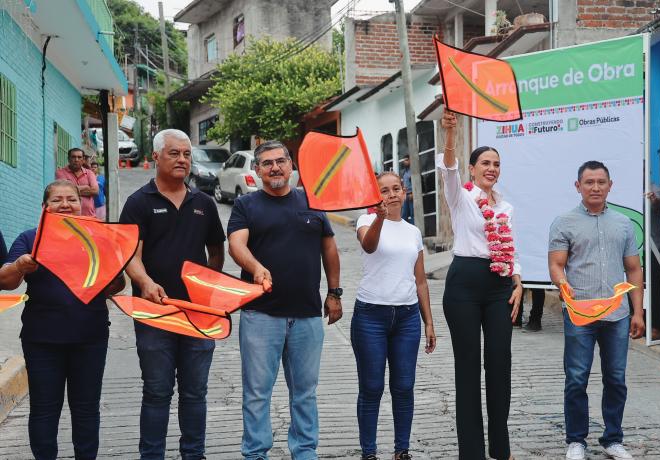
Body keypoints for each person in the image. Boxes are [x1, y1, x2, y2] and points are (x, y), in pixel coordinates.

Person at [227, 140, 342, 460]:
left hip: (306, 316)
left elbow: (329, 249)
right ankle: (255, 453)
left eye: (280, 161)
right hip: (260, 315)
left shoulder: (312, 202)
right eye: (267, 163)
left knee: (305, 394)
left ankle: (305, 452)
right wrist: (255, 267)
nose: (275, 167)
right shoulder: (246, 205)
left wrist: (334, 293)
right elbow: (236, 245)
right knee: (257, 394)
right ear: (257, 170)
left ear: (292, 165)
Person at [120, 129, 226, 460]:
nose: (182, 160)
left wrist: (208, 285)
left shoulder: (204, 203)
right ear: (156, 157)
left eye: (186, 154)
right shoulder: (138, 203)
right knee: (156, 392)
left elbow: (216, 250)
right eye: (174, 153)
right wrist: (146, 282)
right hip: (153, 314)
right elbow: (129, 256)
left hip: (197, 315)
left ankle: (194, 455)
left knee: (195, 393)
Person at [0, 180, 125, 459]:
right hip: (42, 339)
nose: (65, 204)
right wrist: (20, 265)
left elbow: (117, 284)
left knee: (86, 407)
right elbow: (5, 280)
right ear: (45, 207)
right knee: (45, 408)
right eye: (57, 200)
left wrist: (110, 276)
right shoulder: (29, 239)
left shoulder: (99, 239)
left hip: (90, 337)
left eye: (71, 198)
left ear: (82, 205)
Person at [438, 111, 522, 460]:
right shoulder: (461, 197)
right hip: (464, 286)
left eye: (496, 164)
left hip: (501, 286)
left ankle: (500, 449)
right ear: (472, 169)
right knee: (468, 366)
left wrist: (517, 281)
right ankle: (471, 452)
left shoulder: (506, 207)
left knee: (500, 362)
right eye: (485, 162)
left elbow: (509, 246)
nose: (491, 168)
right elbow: (449, 169)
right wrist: (451, 134)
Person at [547, 160, 645, 460]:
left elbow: (634, 269)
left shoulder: (623, 223)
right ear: (578, 186)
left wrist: (638, 312)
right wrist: (563, 284)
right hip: (580, 313)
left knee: (616, 378)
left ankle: (613, 438)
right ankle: (576, 441)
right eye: (589, 182)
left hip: (616, 315)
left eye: (601, 182)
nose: (595, 187)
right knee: (576, 377)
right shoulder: (564, 222)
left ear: (610, 185)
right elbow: (556, 264)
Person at [352, 172, 437, 460]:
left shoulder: (413, 232)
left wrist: (429, 322)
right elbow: (369, 246)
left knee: (404, 386)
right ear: (377, 197)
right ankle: (369, 452)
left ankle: (402, 450)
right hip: (370, 316)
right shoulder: (366, 222)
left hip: (407, 317)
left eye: (396, 189)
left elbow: (421, 280)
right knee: (372, 387)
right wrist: (378, 217)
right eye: (384, 191)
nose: (391, 195)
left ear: (404, 192)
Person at [55, 148, 99, 217]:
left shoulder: (90, 173)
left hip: (89, 217)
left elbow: (95, 191)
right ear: (68, 159)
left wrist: (72, 189)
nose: (76, 160)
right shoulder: (60, 173)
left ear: (83, 159)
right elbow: (64, 191)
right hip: (69, 217)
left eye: (79, 157)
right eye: (73, 157)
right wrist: (86, 187)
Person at [400, 156, 414, 224]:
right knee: (404, 214)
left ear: (410, 161)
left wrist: (413, 193)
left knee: (412, 214)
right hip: (406, 195)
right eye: (404, 160)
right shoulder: (404, 172)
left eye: (406, 160)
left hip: (411, 194)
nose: (404, 162)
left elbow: (416, 183)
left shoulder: (413, 171)